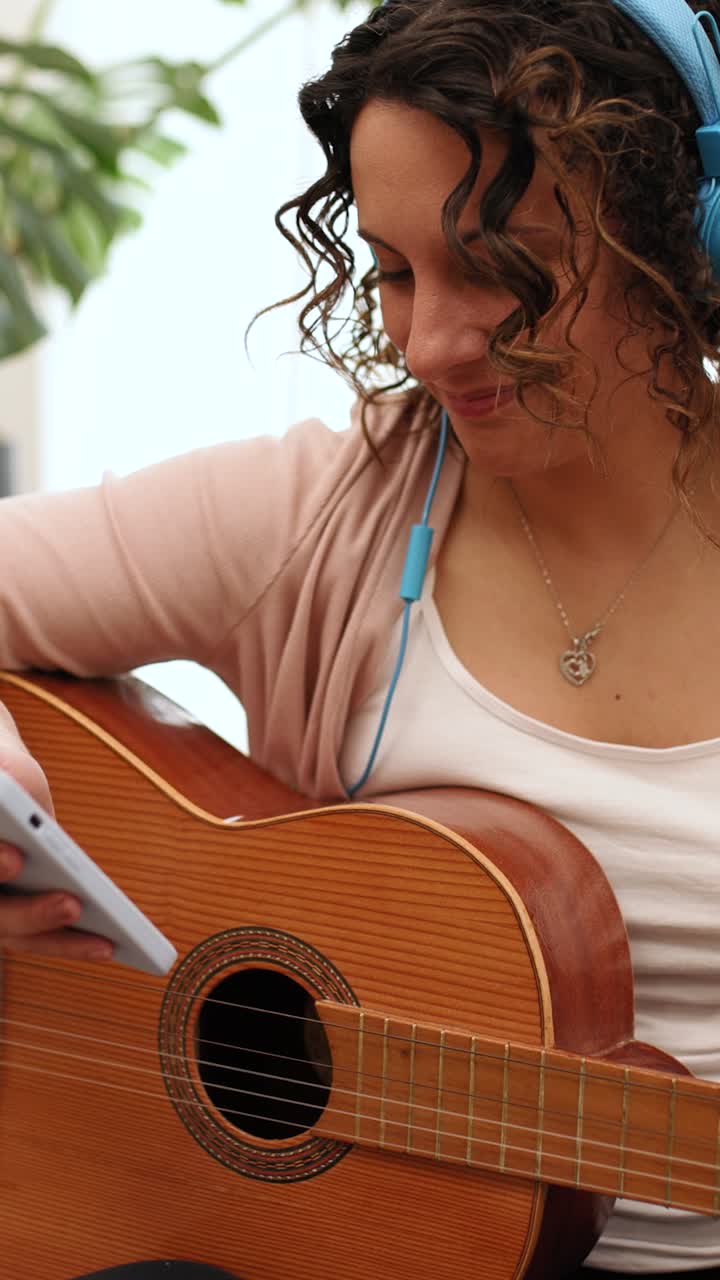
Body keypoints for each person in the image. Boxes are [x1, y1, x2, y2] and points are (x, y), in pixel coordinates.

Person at [0, 0, 718, 1276]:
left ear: (674, 242)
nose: (429, 342)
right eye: (392, 270)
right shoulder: (319, 513)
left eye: (498, 266)